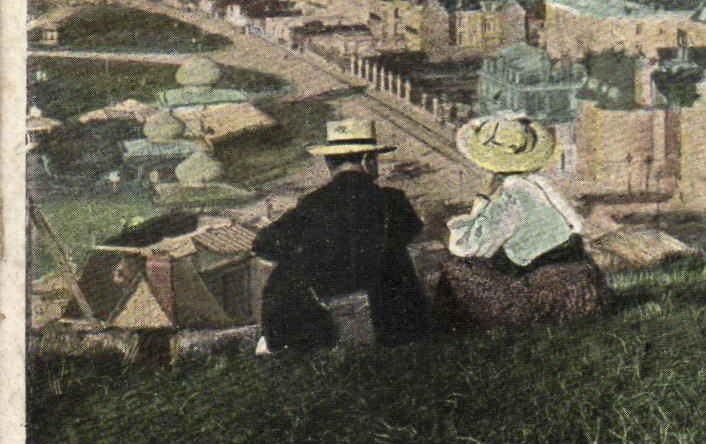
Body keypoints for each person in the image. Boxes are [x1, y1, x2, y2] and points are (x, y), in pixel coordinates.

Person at [252, 119, 429, 353]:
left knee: (286, 272)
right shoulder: (393, 199)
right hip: (388, 308)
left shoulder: (313, 203)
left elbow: (263, 245)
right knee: (396, 257)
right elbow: (411, 230)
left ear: (329, 163)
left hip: (329, 294)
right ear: (367, 161)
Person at [435, 115, 612, 330]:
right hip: (586, 291)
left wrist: (481, 201)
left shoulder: (510, 198)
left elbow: (464, 248)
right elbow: (577, 226)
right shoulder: (540, 184)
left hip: (552, 302)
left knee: (456, 267)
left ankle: (448, 335)